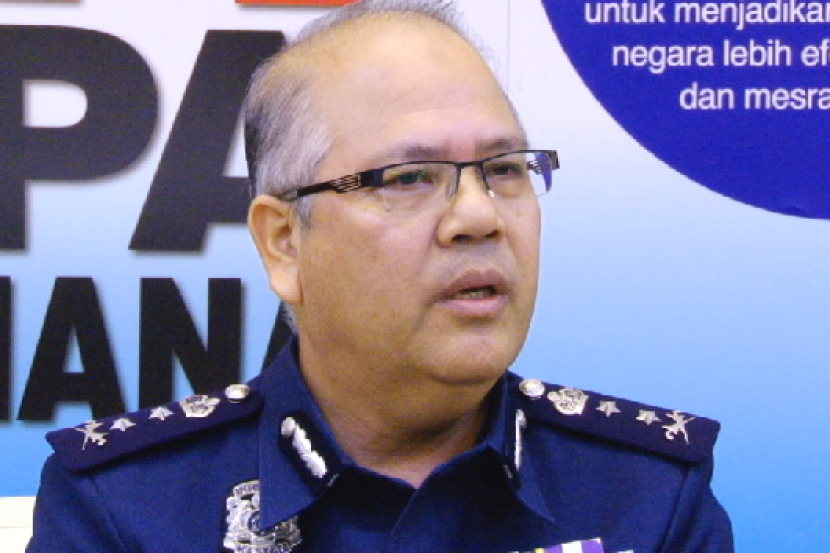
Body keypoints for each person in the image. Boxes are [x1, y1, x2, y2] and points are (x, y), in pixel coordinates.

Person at [26, 1, 733, 552]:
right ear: (284, 243)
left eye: (505, 169)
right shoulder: (125, 507)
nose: (479, 215)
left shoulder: (646, 495)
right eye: (409, 177)